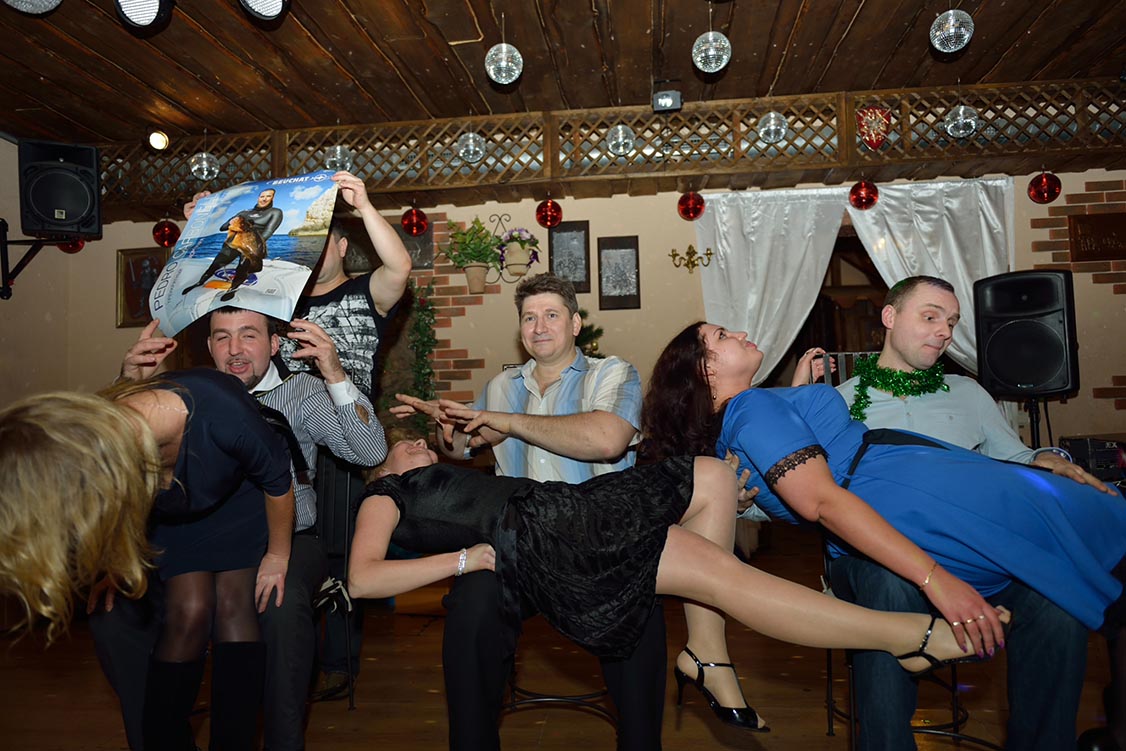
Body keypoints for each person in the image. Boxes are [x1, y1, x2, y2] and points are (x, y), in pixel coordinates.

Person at [346, 439, 1009, 750]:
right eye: (402, 446)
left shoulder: (439, 475)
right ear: (379, 470)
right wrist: (464, 560)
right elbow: (363, 578)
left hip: (570, 508)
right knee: (730, 578)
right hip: (549, 538)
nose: (414, 442)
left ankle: (707, 648)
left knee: (712, 476)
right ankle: (910, 636)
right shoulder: (386, 494)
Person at [642, 322, 1126, 668]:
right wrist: (936, 580)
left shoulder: (739, 428)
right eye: (722, 336)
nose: (741, 332)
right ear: (705, 370)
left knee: (1061, 536)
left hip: (895, 491)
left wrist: (795, 398)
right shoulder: (751, 408)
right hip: (904, 488)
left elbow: (794, 485)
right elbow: (820, 501)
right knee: (1077, 520)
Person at [799, 275, 1100, 751]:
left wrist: (1050, 458)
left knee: (1057, 596)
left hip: (971, 553)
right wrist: (747, 495)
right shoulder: (837, 402)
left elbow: (1015, 458)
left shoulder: (968, 393)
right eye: (930, 317)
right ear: (890, 317)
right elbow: (797, 492)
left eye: (952, 322)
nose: (944, 331)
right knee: (888, 584)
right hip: (873, 557)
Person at [392, 273, 691, 750]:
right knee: (470, 607)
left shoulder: (612, 373)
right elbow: (465, 445)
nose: (539, 326)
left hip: (603, 548)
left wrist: (507, 421)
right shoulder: (502, 385)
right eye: (529, 318)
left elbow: (607, 440)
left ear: (575, 323)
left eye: (551, 315)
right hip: (520, 547)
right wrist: (446, 431)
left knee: (640, 617)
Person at [93, 308, 389, 750]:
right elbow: (119, 473)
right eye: (222, 337)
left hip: (284, 536)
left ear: (274, 344)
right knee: (113, 614)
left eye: (249, 336)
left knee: (276, 604)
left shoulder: (300, 392)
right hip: (184, 534)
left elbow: (369, 453)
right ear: (208, 347)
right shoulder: (178, 394)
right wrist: (128, 384)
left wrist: (333, 372)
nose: (235, 350)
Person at [188, 170, 411, 698]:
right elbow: (219, 292)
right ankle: (290, 655)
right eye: (305, 242)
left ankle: (338, 660)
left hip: (347, 427)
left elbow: (400, 266)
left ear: (341, 246)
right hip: (282, 431)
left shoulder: (364, 292)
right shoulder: (276, 300)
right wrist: (203, 223)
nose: (312, 251)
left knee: (342, 552)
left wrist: (364, 206)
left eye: (322, 241)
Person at [0, 370, 295, 751]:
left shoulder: (224, 414)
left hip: (237, 500)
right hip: (172, 515)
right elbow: (122, 510)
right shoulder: (106, 441)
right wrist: (117, 567)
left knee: (233, 605)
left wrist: (278, 554)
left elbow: (278, 482)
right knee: (190, 609)